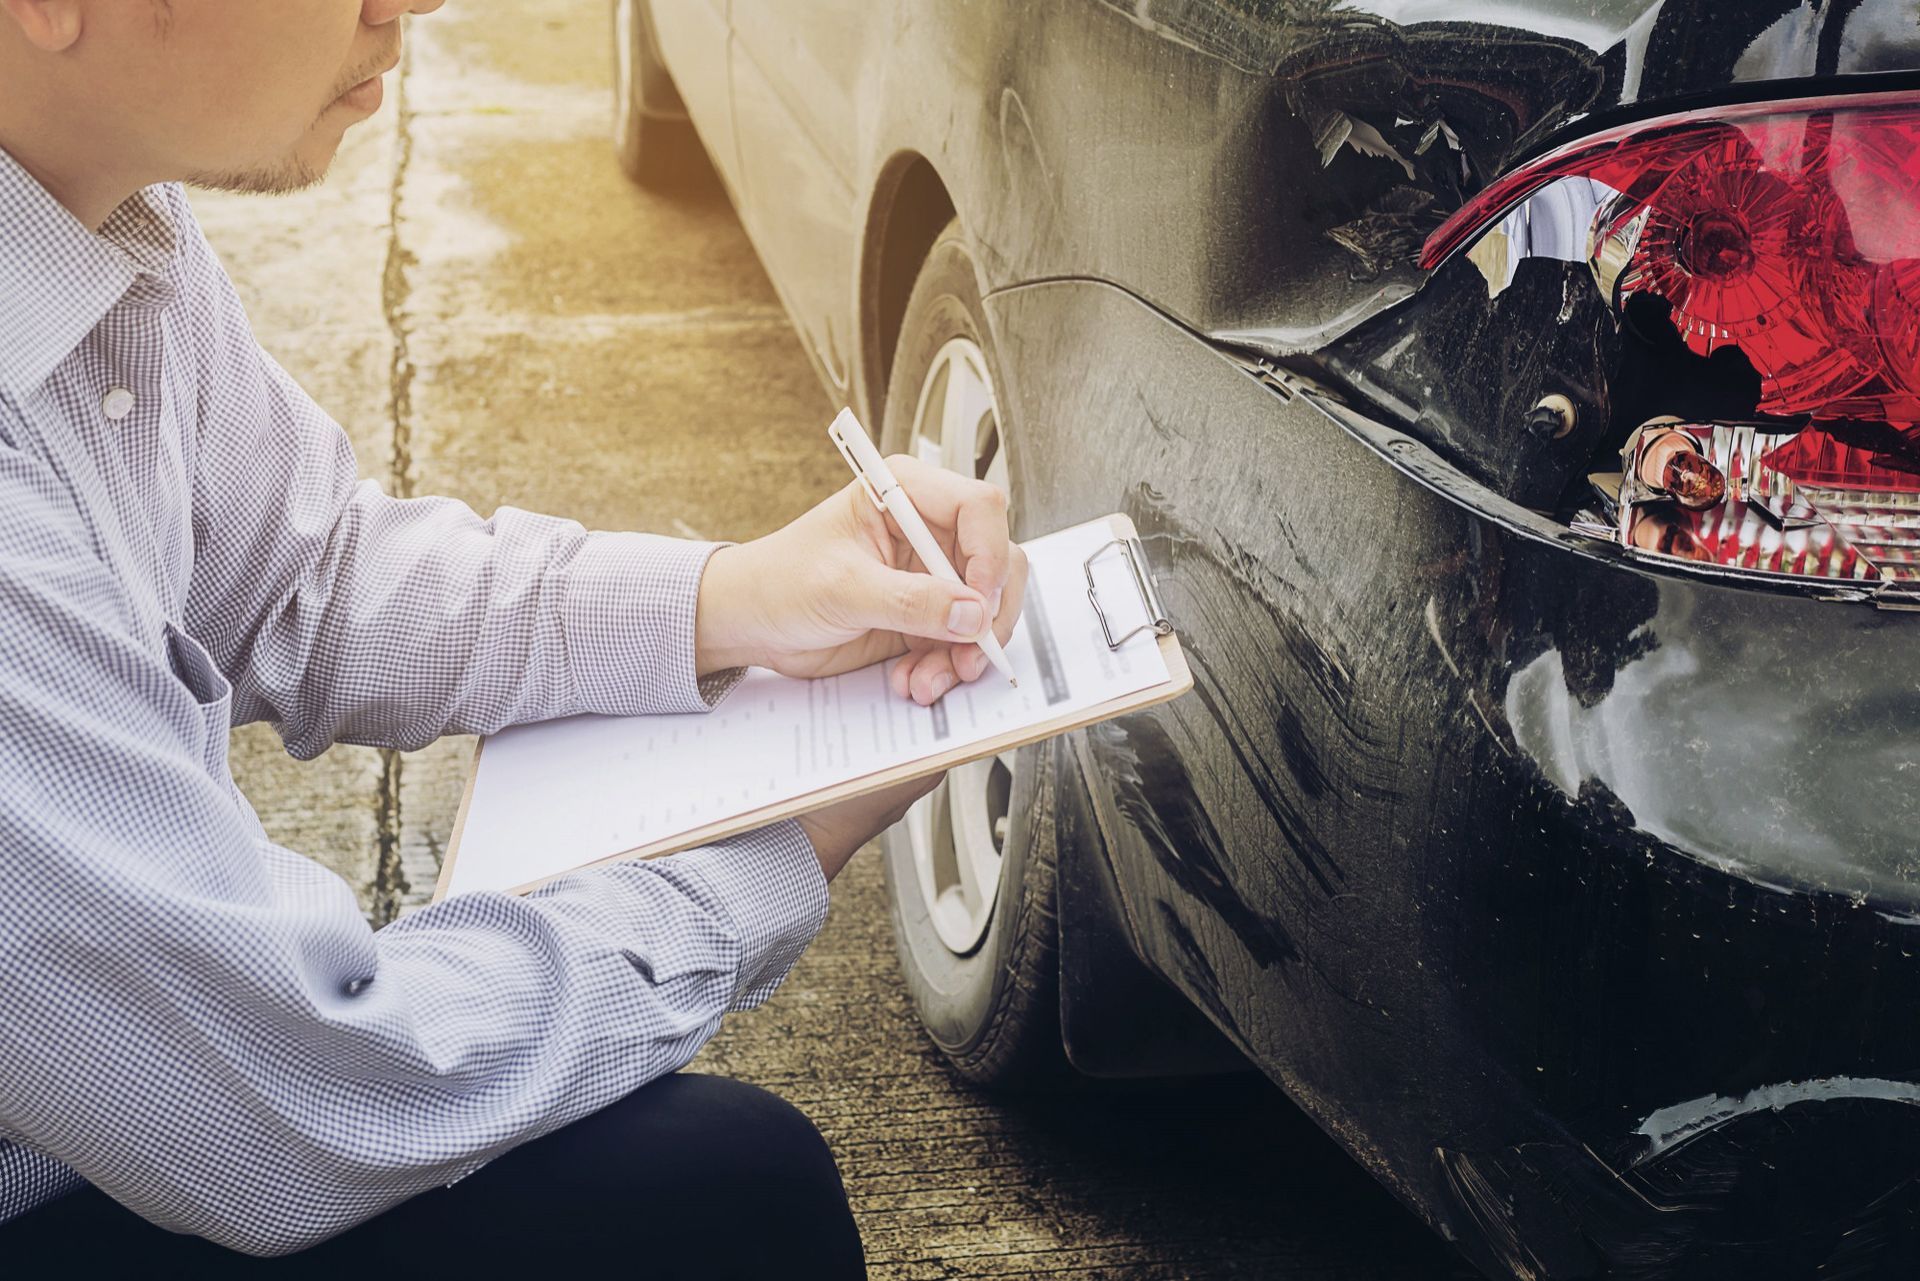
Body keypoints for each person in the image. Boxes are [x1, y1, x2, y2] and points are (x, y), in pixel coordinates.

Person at [0, 0, 1028, 1274]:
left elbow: (302, 575)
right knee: (731, 1198)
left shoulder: (95, 213)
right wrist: (769, 851)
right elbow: (295, 1097)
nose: (414, 3)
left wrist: (737, 599)